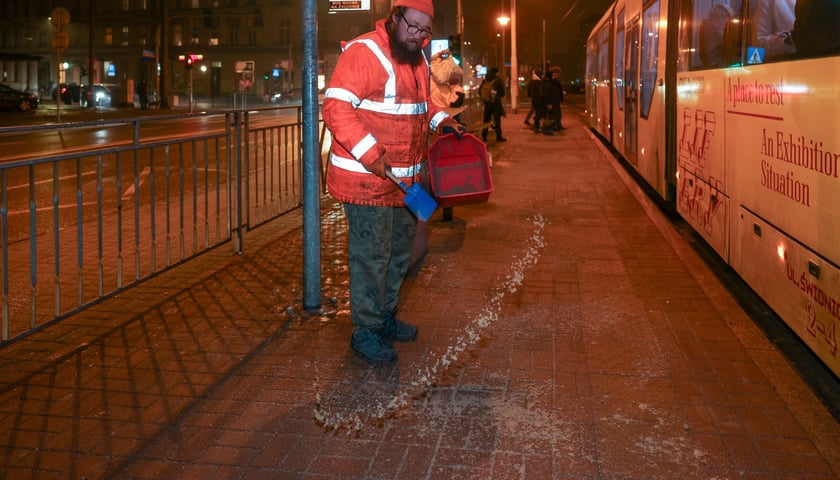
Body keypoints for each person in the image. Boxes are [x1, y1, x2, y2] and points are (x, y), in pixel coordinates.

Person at [322, 0, 465, 363]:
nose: (418, 36)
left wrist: (442, 121)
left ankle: (385, 317)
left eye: (424, 31)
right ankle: (365, 331)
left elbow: (419, 108)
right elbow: (336, 108)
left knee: (398, 254)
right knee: (371, 258)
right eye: (413, 27)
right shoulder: (364, 52)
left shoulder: (414, 59)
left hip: (404, 185)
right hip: (366, 182)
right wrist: (372, 154)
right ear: (395, 18)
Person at [479, 67, 506, 143]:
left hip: (487, 104)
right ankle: (499, 137)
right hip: (496, 103)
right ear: (496, 73)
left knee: (486, 120)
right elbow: (502, 93)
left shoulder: (485, 80)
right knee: (497, 120)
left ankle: (484, 136)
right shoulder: (498, 81)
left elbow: (479, 91)